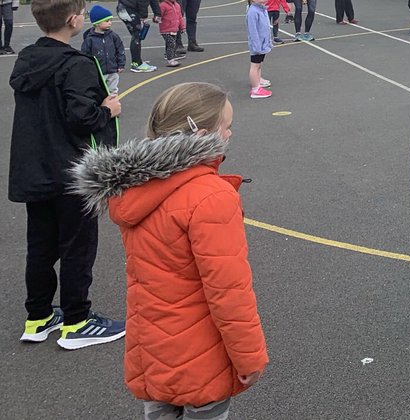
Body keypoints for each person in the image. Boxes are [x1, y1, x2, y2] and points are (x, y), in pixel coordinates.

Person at [69, 82, 268, 416]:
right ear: (204, 135)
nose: (230, 133)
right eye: (226, 127)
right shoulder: (210, 196)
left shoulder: (134, 188)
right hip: (201, 354)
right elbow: (228, 291)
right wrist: (249, 356)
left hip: (153, 348)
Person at [9, 0, 125, 349]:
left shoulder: (27, 58)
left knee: (40, 246)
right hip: (70, 171)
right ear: (74, 20)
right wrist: (107, 109)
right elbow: (81, 116)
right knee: (77, 245)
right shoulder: (77, 64)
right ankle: (77, 321)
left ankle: (39, 316)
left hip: (33, 167)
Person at [117, 0, 167, 73]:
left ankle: (137, 60)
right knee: (137, 34)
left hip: (131, 8)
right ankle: (136, 64)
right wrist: (143, 14)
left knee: (138, 34)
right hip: (126, 8)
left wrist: (157, 13)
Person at [80, 5, 126, 95]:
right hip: (98, 71)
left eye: (110, 21)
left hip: (113, 69)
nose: (110, 23)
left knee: (113, 89)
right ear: (97, 23)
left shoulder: (113, 36)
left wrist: (121, 64)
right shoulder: (90, 39)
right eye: (107, 21)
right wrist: (88, 69)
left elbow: (120, 50)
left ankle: (112, 105)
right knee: (99, 90)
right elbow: (85, 55)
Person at [246, 0, 273, 99]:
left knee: (259, 65)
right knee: (255, 66)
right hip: (257, 45)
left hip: (262, 43)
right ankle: (255, 89)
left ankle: (258, 84)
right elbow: (253, 31)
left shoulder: (262, 10)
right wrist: (257, 46)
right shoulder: (253, 12)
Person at [158, 0, 186, 67]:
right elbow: (159, 15)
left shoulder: (177, 5)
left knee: (171, 44)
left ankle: (169, 55)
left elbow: (180, 17)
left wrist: (182, 27)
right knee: (171, 44)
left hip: (174, 29)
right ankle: (171, 60)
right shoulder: (163, 5)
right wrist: (157, 19)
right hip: (166, 30)